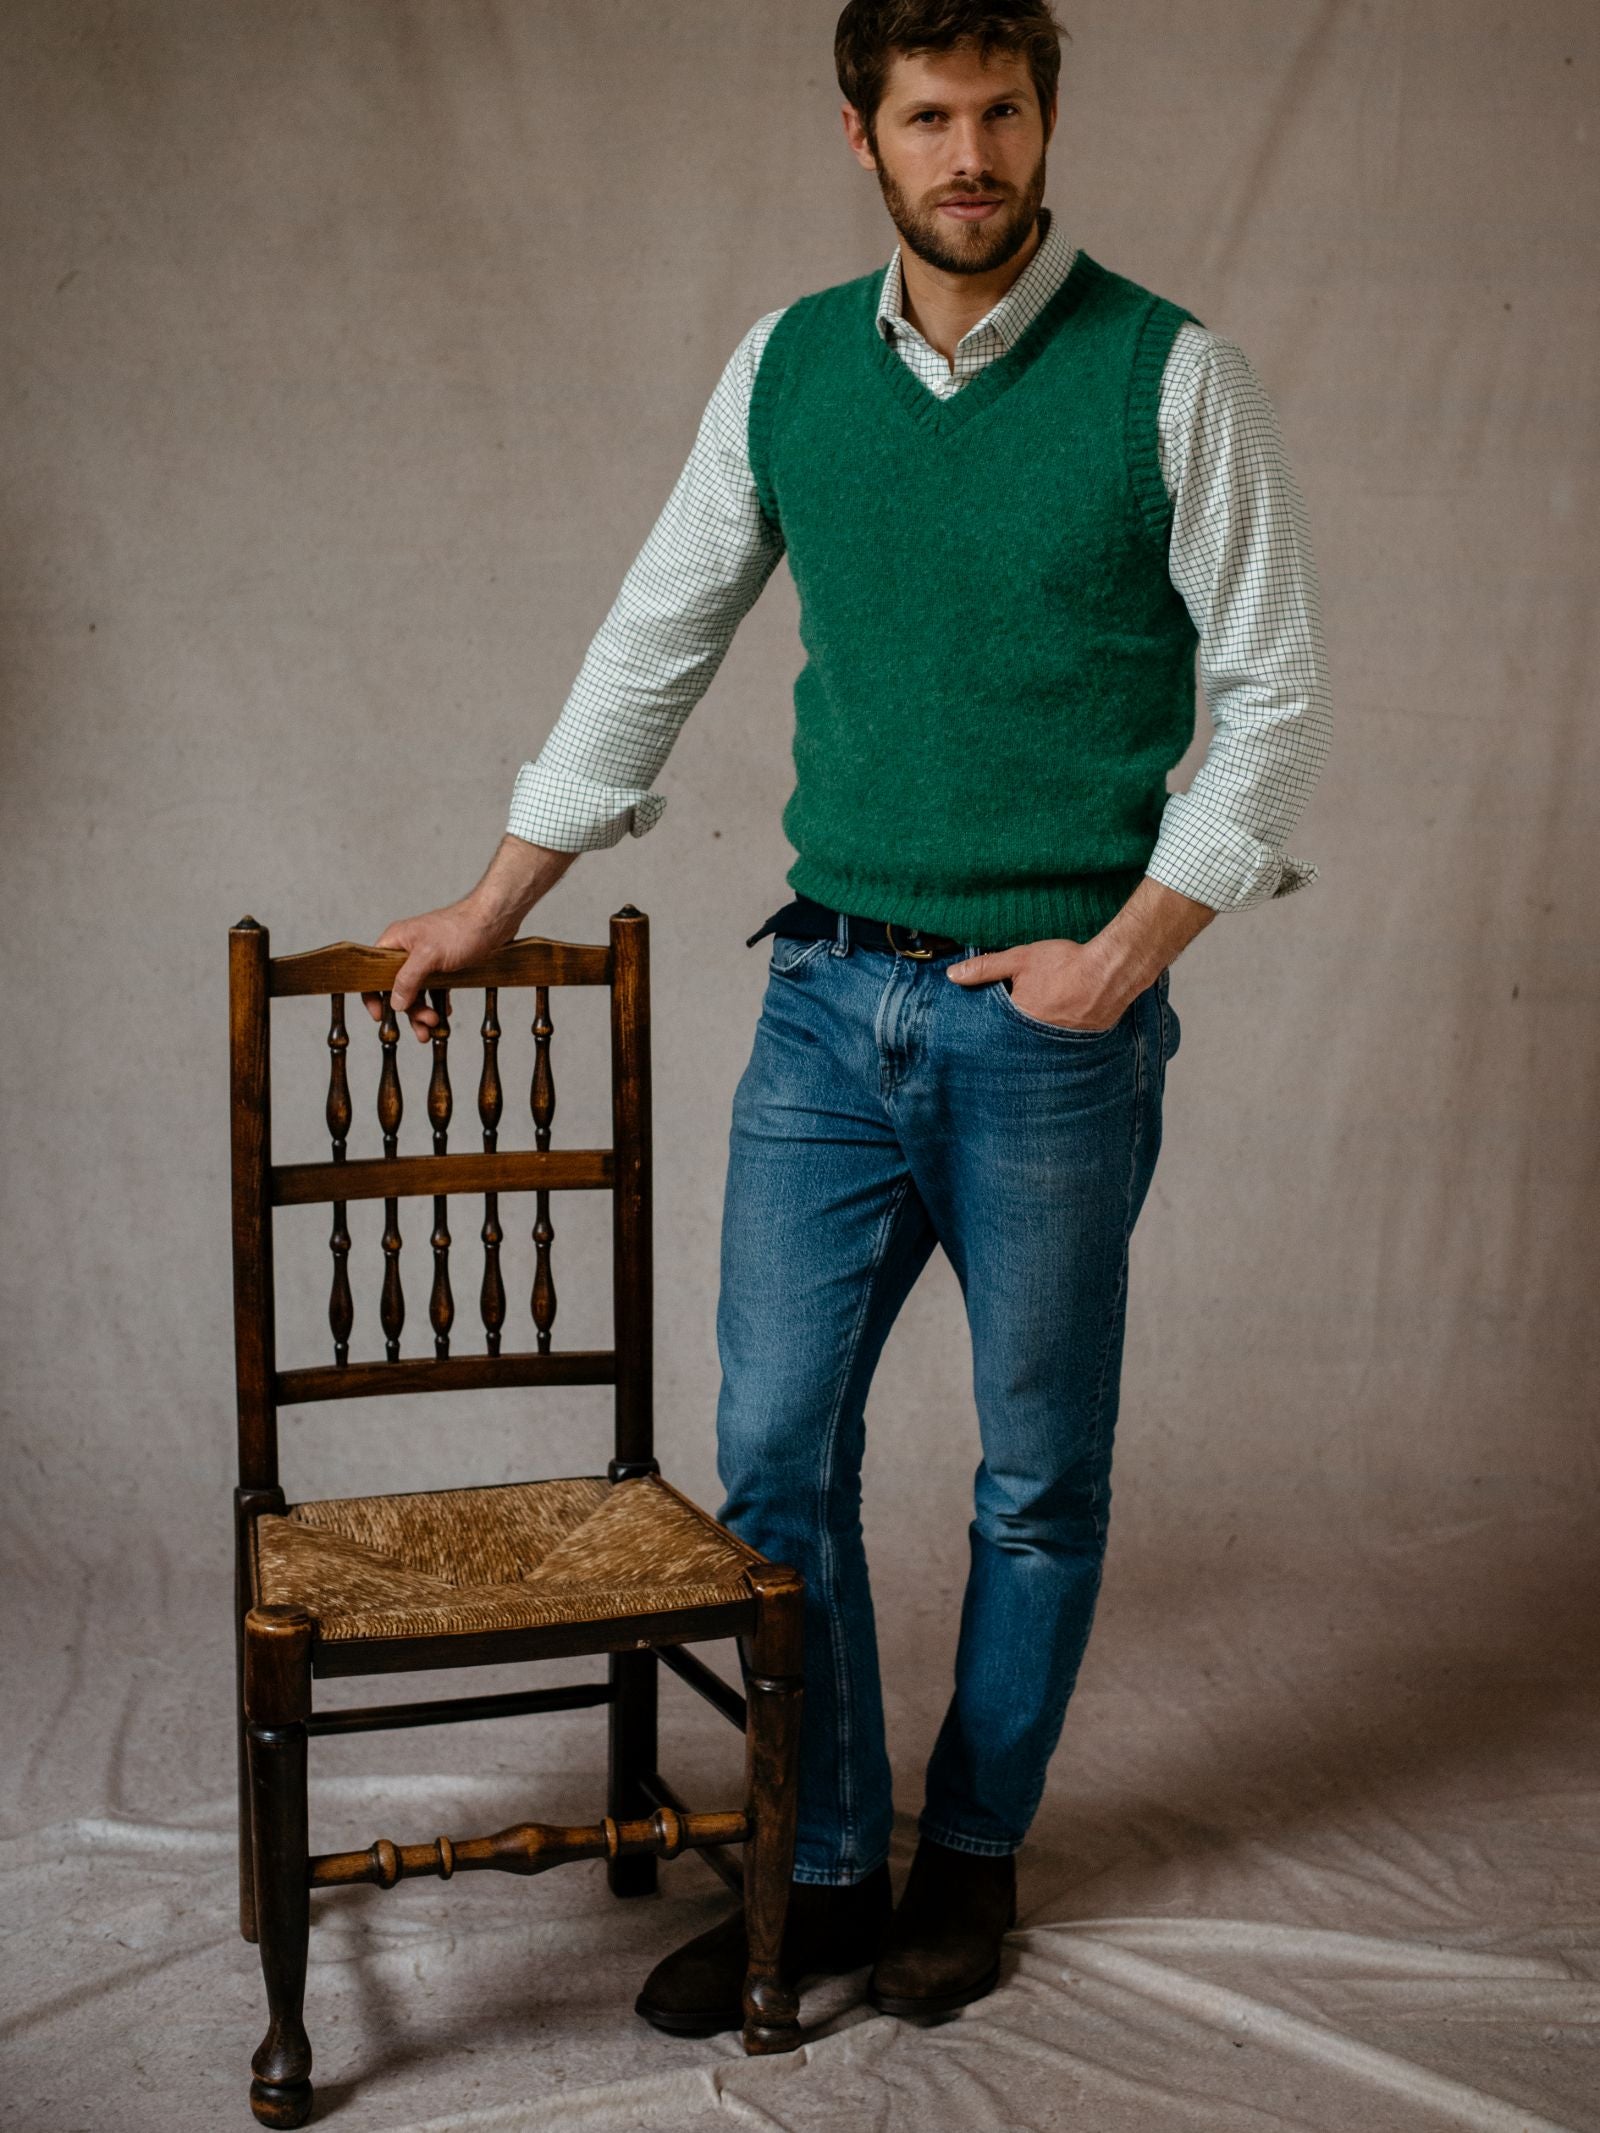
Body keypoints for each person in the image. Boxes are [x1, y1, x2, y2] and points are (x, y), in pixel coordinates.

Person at [365, 0, 1331, 2036]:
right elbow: (658, 632)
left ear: (1045, 118)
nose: (964, 149)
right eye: (925, 115)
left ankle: (965, 1864)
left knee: (1034, 1473)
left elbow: (1267, 697)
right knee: (771, 1450)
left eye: (997, 109)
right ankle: (818, 1863)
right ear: (859, 135)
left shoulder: (1171, 374)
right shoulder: (789, 364)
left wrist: (1130, 946)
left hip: (1046, 1024)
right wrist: (492, 892)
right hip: (821, 1003)